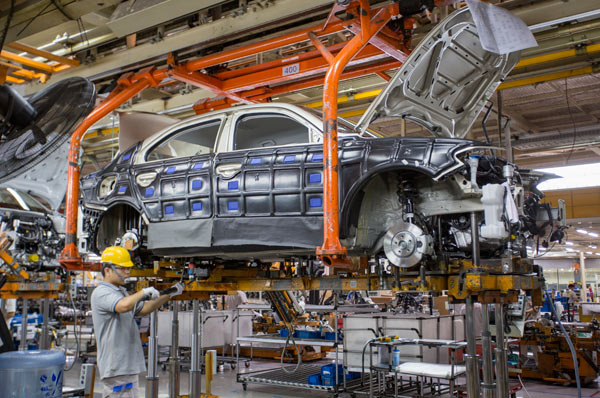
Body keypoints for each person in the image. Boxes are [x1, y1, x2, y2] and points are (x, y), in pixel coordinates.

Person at [91, 246, 183, 398]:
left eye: (129, 268)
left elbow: (145, 308)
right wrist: (143, 292)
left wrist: (170, 293)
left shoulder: (120, 292)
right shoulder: (101, 293)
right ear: (107, 270)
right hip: (116, 366)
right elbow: (123, 306)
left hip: (127, 366)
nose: (128, 272)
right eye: (123, 268)